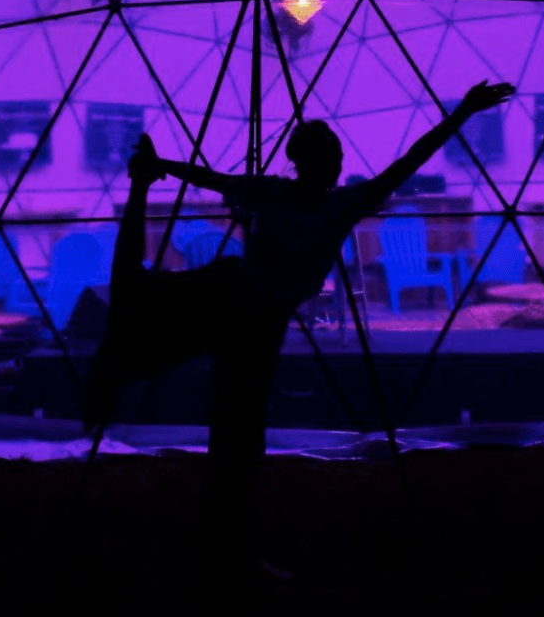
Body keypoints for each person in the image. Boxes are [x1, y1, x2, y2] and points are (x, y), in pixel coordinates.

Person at [83, 78, 515, 587]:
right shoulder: (325, 203)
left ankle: (222, 543)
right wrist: (462, 112)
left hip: (241, 313)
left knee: (231, 425)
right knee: (229, 422)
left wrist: (161, 170)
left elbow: (216, 178)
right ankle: (224, 546)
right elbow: (405, 165)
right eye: (327, 157)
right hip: (234, 307)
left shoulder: (298, 197)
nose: (331, 166)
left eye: (330, 158)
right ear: (313, 162)